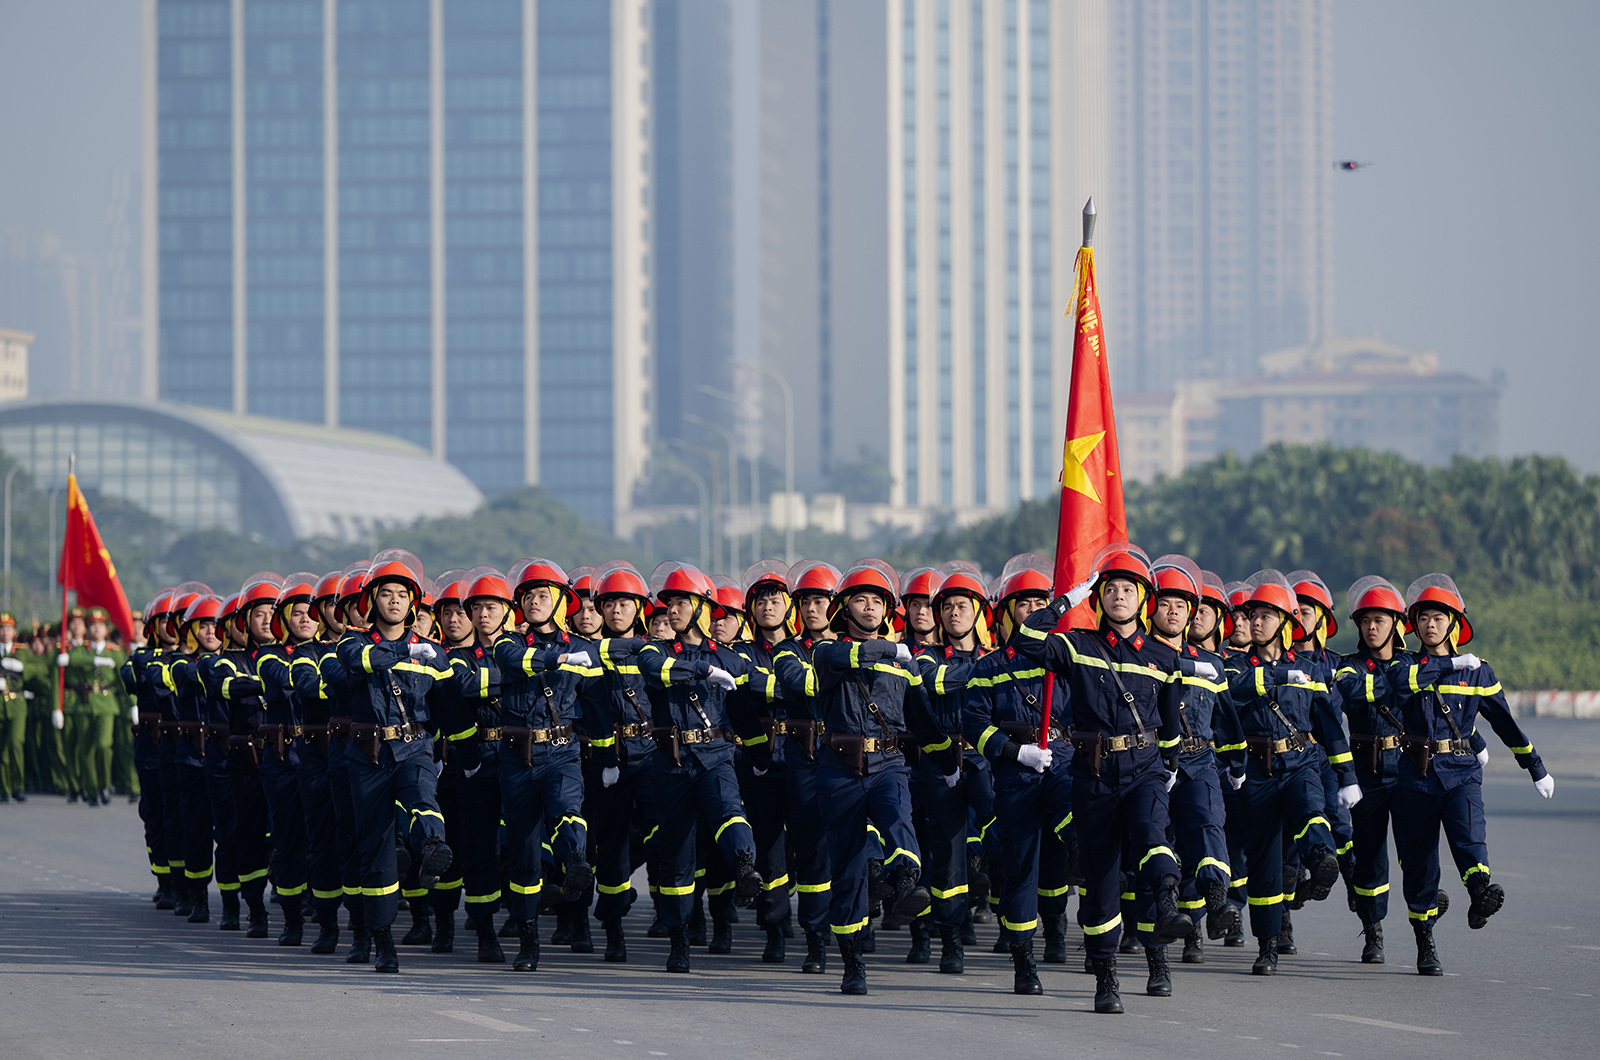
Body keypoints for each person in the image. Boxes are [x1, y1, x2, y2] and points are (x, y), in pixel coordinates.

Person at [1013, 543, 1192, 1014]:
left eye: (1127, 589)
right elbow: (1026, 639)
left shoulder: (1164, 656)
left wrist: (1169, 768)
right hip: (1092, 776)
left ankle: (1166, 914)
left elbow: (1171, 722)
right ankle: (1106, 975)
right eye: (1109, 589)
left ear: (1143, 599)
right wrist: (1067, 600)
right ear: (1099, 598)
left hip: (1145, 770)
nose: (1118, 596)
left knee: (1153, 840)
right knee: (1102, 880)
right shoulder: (1078, 646)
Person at [1390, 573, 1552, 975]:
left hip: (1461, 770)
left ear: (1454, 623)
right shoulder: (1405, 663)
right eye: (1423, 618)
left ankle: (1480, 892)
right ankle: (1425, 940)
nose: (1430, 624)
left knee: (1469, 834)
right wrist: (1449, 663)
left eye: (1438, 617)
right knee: (1420, 862)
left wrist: (1535, 766)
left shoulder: (1479, 672)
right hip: (1415, 775)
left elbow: (1505, 723)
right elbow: (1403, 684)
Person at [811, 559, 957, 995]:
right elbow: (852, 654)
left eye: (878, 601)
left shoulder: (903, 664)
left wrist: (948, 759)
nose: (871, 608)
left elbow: (922, 719)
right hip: (839, 770)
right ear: (845, 608)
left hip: (889, 764)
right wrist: (893, 649)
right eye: (861, 599)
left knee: (898, 816)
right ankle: (852, 962)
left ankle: (906, 882)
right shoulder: (827, 653)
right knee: (849, 869)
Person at [1331, 575, 1481, 965]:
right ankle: (1373, 928)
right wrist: (1406, 680)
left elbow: (1445, 710)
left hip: (1414, 771)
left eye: (1380, 620)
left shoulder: (1416, 663)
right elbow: (1360, 691)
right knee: (1370, 858)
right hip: (1367, 773)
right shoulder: (1349, 668)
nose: (1371, 627)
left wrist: (1475, 745)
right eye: (1365, 621)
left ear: (1398, 624)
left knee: (1417, 858)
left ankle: (1425, 938)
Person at [629, 562, 767, 973]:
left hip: (716, 756)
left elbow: (750, 698)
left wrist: (758, 754)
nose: (672, 611)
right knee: (678, 853)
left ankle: (745, 865)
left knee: (729, 813)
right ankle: (680, 939)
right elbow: (655, 672)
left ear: (702, 608)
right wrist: (705, 670)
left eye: (681, 603)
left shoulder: (730, 656)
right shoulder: (655, 650)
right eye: (668, 604)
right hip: (670, 762)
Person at [1223, 569, 1359, 977]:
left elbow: (1329, 726)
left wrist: (1348, 776)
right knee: (1264, 861)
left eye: (1266, 615)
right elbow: (1235, 691)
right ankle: (1267, 946)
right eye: (1253, 615)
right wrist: (1278, 676)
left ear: (1284, 623)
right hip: (1256, 772)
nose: (1256, 622)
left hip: (1299, 762)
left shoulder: (1312, 670)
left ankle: (1320, 858)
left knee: (1311, 809)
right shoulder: (1234, 666)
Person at [336, 549, 456, 974]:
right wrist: (407, 649)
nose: (393, 601)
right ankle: (380, 939)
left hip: (416, 747)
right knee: (375, 850)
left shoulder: (434, 652)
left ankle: (430, 847)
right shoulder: (353, 642)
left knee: (423, 797)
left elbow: (446, 705)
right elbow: (359, 662)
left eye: (401, 595)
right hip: (368, 756)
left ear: (413, 603)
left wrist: (457, 749)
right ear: (373, 601)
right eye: (385, 594)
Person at [964, 554, 1075, 992]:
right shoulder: (987, 667)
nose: (1031, 611)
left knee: (1078, 823)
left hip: (1063, 760)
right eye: (1023, 604)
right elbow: (975, 727)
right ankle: (1023, 959)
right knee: (1022, 870)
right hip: (1016, 774)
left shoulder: (1064, 659)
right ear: (1007, 613)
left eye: (1038, 603)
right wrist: (1017, 751)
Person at [491, 558, 601, 972]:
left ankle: (575, 861)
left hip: (561, 751)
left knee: (566, 808)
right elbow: (517, 664)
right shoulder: (508, 643)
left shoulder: (583, 647)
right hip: (517, 757)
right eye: (528, 596)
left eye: (542, 595)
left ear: (560, 602)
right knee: (524, 854)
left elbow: (596, 704)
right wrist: (556, 661)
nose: (534, 602)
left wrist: (606, 753)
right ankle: (528, 938)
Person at [1145, 556, 1243, 979]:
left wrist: (1236, 763)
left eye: (1181, 606)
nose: (1173, 611)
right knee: (1157, 846)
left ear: (1192, 613)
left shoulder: (1212, 665)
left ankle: (1217, 899)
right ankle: (1159, 953)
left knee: (1208, 825)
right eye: (1165, 603)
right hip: (1149, 764)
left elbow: (1226, 718)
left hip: (1199, 761)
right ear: (1152, 608)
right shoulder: (1137, 656)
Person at [905, 561, 995, 975]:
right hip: (940, 764)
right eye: (947, 607)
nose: (953, 613)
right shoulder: (922, 657)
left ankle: (998, 892)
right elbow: (936, 682)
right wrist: (989, 671)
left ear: (978, 613)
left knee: (1002, 823)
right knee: (947, 857)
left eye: (962, 606)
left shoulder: (993, 657)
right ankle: (950, 940)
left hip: (982, 760)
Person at [584, 561, 661, 963]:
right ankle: (613, 929)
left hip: (650, 755)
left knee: (657, 830)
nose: (616, 611)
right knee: (610, 846)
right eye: (609, 603)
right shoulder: (588, 652)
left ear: (639, 609)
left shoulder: (654, 651)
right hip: (609, 759)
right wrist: (607, 759)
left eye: (624, 603)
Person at [771, 560, 844, 974]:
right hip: (806, 757)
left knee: (857, 844)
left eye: (819, 600)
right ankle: (816, 941)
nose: (811, 608)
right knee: (814, 852)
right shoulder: (788, 650)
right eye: (805, 601)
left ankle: (856, 926)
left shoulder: (854, 646)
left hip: (851, 755)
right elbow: (802, 683)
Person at [0, 613, 37, 803]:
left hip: (17, 704)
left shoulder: (21, 651)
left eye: (8, 628)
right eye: (1, 628)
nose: (4, 632)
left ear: (14, 631)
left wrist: (22, 668)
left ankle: (18, 785)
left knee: (15, 744)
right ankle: (4, 788)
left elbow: (40, 668)